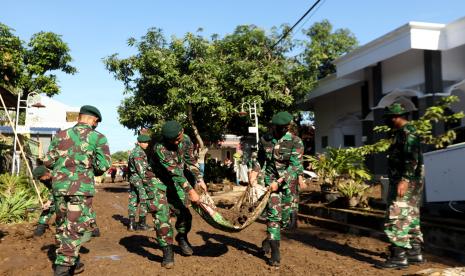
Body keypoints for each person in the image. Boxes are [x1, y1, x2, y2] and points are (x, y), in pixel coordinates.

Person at [44, 105, 111, 276]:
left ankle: (71, 262)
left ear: (79, 118)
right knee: (74, 227)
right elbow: (103, 165)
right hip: (80, 189)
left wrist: (64, 166)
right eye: (96, 122)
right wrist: (89, 167)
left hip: (59, 187)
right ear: (93, 120)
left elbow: (48, 161)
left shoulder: (60, 135)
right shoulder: (98, 138)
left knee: (62, 225)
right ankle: (63, 268)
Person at [250, 111, 304, 268]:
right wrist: (254, 174)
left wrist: (280, 182)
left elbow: (295, 166)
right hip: (271, 184)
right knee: (273, 217)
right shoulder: (265, 140)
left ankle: (269, 239)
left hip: (288, 186)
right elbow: (259, 160)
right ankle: (275, 253)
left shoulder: (296, 142)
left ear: (288, 127)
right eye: (277, 127)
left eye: (284, 128)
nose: (280, 130)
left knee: (285, 221)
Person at [152, 120, 206, 268]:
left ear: (182, 131)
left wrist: (199, 179)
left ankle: (182, 237)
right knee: (162, 217)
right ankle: (167, 251)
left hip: (176, 183)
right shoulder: (159, 147)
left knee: (184, 215)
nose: (176, 142)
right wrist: (191, 191)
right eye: (172, 140)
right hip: (159, 183)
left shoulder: (186, 139)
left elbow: (190, 161)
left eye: (178, 138)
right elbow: (175, 171)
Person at [378, 103, 424, 269]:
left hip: (405, 181)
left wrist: (404, 179)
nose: (386, 121)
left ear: (395, 117)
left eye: (388, 118)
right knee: (410, 214)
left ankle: (399, 256)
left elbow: (412, 157)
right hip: (408, 180)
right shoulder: (402, 132)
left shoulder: (407, 133)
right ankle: (414, 253)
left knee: (396, 215)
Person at [126, 134, 151, 231]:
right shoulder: (138, 152)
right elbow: (141, 170)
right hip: (139, 179)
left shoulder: (133, 151)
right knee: (144, 199)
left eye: (147, 142)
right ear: (139, 143)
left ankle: (131, 224)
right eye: (145, 142)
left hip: (133, 178)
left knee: (133, 200)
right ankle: (142, 223)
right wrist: (147, 181)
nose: (147, 144)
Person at [32, 166, 55, 237]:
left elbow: (58, 191)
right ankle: (41, 227)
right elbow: (52, 190)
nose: (39, 180)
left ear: (46, 174)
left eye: (39, 178)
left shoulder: (58, 176)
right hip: (57, 193)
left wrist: (49, 202)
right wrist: (49, 202)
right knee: (48, 208)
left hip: (70, 193)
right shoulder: (46, 180)